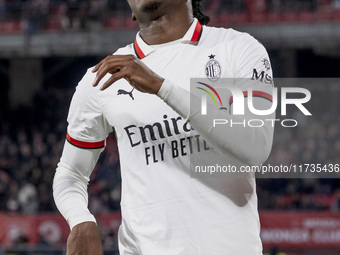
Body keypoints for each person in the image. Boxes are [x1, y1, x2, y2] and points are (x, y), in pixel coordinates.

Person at [53, 0, 275, 254]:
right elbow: (70, 174)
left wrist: (161, 87)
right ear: (130, 11)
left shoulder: (238, 49)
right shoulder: (102, 78)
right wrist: (80, 220)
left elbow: (256, 148)